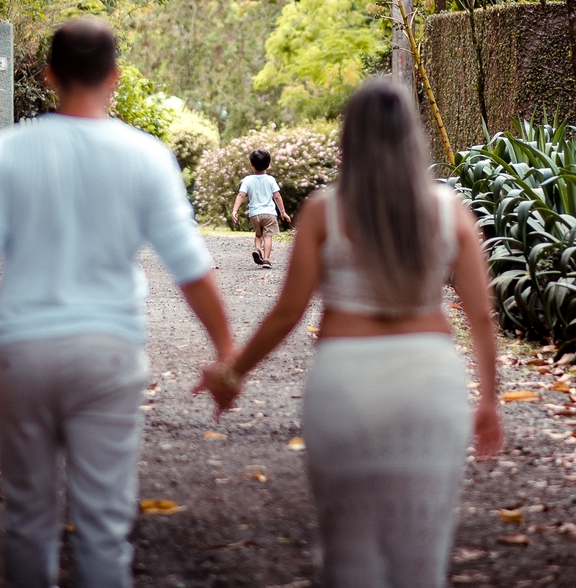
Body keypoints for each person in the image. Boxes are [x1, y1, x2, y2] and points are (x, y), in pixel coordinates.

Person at [0, 17, 235, 588]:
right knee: (103, 523)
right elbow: (191, 268)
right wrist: (227, 352)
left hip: (21, 350)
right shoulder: (146, 155)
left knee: (27, 517)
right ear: (115, 76)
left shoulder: (9, 149)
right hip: (109, 349)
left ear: (49, 75)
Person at [198, 78, 503, 588]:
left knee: (347, 556)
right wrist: (489, 399)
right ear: (412, 136)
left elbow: (287, 313)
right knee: (422, 562)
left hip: (344, 382)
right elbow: (481, 316)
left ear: (351, 137)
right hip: (431, 383)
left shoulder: (326, 209)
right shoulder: (449, 210)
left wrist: (233, 372)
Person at [230, 149, 291, 269]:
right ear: (268, 165)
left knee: (258, 235)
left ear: (251, 164)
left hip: (254, 214)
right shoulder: (270, 179)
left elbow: (241, 195)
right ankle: (266, 259)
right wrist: (283, 212)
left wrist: (234, 210)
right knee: (268, 236)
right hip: (269, 214)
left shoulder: (247, 180)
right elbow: (277, 196)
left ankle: (257, 249)